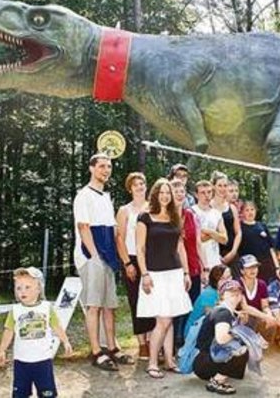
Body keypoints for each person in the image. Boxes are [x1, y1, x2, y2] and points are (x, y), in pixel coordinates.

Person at [73, 153, 133, 370]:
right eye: (101, 166)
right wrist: (95, 256)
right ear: (91, 168)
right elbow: (83, 227)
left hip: (108, 257)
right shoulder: (84, 196)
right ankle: (97, 352)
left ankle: (113, 348)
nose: (105, 170)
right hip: (91, 257)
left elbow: (113, 230)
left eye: (108, 167)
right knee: (94, 306)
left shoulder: (105, 197)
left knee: (109, 306)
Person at [136, 178, 193, 379]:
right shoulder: (145, 218)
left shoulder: (175, 217)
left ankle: (169, 360)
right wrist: (144, 274)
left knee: (170, 317)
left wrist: (186, 273)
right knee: (163, 320)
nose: (165, 195)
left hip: (174, 273)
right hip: (155, 274)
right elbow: (140, 249)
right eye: (161, 192)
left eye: (168, 192)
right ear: (155, 195)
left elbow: (180, 247)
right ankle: (152, 362)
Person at [0, 267, 72, 397]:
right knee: (20, 394)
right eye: (19, 288)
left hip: (43, 361)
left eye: (27, 287)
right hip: (21, 362)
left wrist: (65, 341)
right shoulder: (15, 310)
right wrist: (2, 350)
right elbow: (8, 331)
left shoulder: (47, 308)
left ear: (38, 289)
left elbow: (57, 326)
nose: (22, 291)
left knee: (47, 394)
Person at [115, 172, 156, 360]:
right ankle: (142, 343)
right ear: (130, 188)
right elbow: (120, 239)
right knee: (136, 301)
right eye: (135, 184)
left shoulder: (154, 208)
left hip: (152, 259)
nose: (140, 187)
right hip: (132, 258)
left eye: (142, 183)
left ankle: (152, 340)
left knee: (153, 301)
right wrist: (127, 263)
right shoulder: (125, 210)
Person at [193, 280, 250, 395]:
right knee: (241, 349)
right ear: (222, 295)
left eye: (238, 291)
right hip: (205, 362)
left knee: (242, 346)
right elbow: (222, 338)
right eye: (231, 291)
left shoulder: (228, 311)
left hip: (204, 360)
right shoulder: (223, 313)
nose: (236, 294)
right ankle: (216, 381)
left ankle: (221, 374)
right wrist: (243, 335)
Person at [170, 178, 205, 348]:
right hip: (171, 267)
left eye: (182, 191)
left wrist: (204, 266)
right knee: (176, 306)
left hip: (192, 265)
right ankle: (174, 339)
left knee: (192, 304)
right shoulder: (165, 215)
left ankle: (188, 338)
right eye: (175, 191)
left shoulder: (191, 215)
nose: (179, 194)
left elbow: (198, 242)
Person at [184, 265, 232, 336]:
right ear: (215, 279)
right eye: (222, 279)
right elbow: (211, 318)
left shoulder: (227, 291)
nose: (227, 281)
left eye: (229, 277)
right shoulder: (209, 293)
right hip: (195, 332)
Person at [211, 171, 243, 278]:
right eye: (219, 185)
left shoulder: (232, 208)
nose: (222, 188)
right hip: (214, 253)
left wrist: (233, 252)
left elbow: (238, 232)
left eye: (225, 185)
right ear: (213, 186)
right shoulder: (208, 207)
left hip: (231, 253)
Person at [192, 180, 228, 273]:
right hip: (199, 261)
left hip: (215, 261)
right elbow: (199, 238)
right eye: (203, 193)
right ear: (196, 195)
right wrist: (216, 235)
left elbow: (224, 239)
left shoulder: (216, 213)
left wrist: (209, 231)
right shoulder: (192, 212)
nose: (206, 195)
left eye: (209, 192)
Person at [238, 201, 279, 282]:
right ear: (242, 213)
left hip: (267, 266)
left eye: (252, 209)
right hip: (249, 266)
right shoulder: (239, 228)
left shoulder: (262, 226)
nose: (250, 212)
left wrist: (277, 266)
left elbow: (271, 248)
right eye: (247, 210)